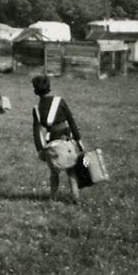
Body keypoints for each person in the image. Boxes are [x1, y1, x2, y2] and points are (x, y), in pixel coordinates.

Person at [31, 75, 82, 204]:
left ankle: (52, 198)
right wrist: (79, 140)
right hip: (65, 141)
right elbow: (71, 121)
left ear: (35, 91)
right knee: (71, 172)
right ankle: (76, 198)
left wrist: (40, 150)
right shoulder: (60, 101)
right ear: (49, 88)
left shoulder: (36, 109)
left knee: (54, 173)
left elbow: (37, 132)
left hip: (51, 145)